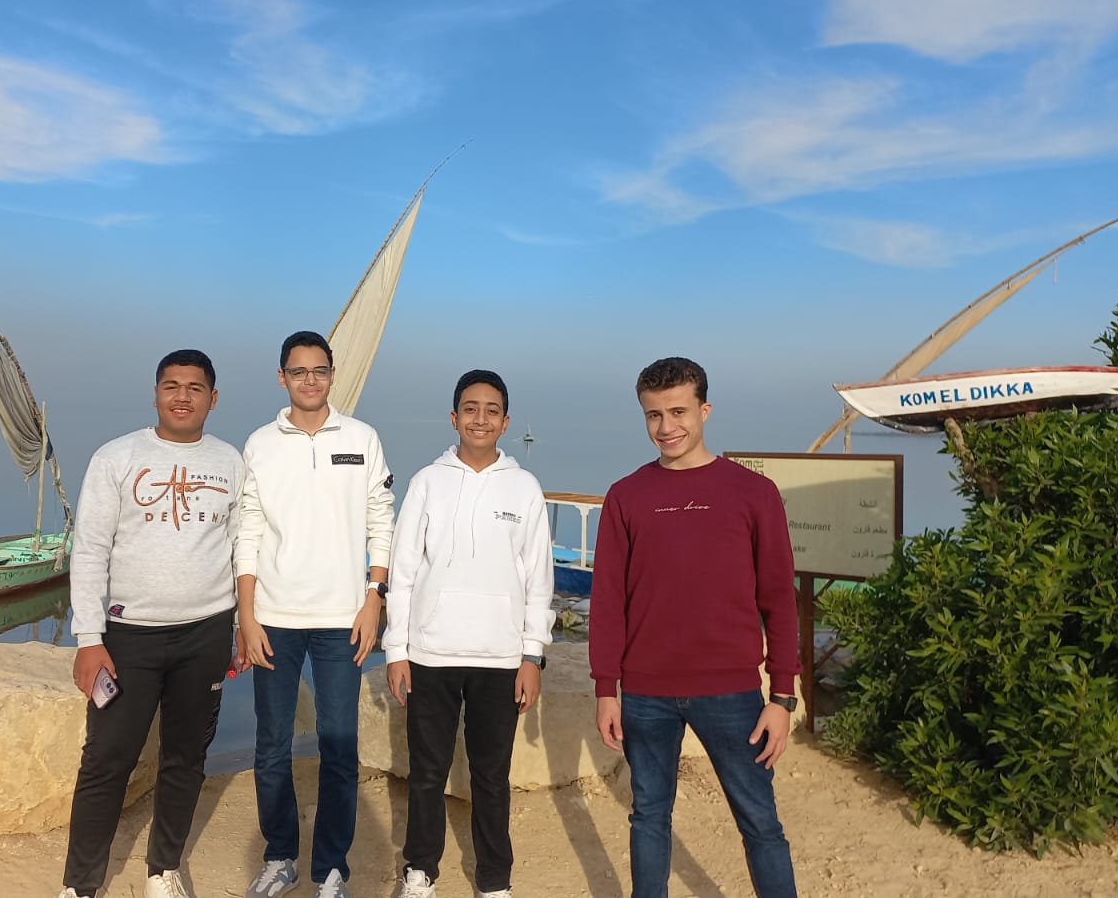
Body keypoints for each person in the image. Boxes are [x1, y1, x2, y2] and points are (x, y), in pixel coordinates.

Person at [589, 356, 801, 898]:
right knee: (648, 817)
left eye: (679, 411)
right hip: (644, 694)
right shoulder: (625, 496)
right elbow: (608, 600)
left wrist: (782, 696)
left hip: (731, 693)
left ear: (705, 410)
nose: (667, 427)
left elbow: (779, 599)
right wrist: (606, 688)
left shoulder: (753, 493)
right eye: (654, 415)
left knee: (760, 822)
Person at [58, 349, 244, 898]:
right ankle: (81, 885)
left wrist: (238, 628)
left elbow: (241, 549)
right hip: (129, 636)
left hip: (206, 633)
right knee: (106, 761)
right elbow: (90, 550)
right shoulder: (116, 457)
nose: (183, 397)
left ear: (213, 398)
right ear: (156, 393)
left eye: (195, 387)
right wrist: (89, 638)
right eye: (172, 386)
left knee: (186, 759)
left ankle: (163, 870)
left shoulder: (231, 461)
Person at [381, 370, 556, 898]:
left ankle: (494, 880)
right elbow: (403, 570)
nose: (481, 419)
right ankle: (420, 872)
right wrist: (397, 650)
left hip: (500, 657)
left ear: (505, 421)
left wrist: (532, 655)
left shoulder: (524, 488)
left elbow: (539, 577)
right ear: (454, 417)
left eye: (491, 410)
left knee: (491, 777)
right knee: (427, 773)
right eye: (471, 409)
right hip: (431, 653)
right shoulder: (427, 482)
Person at [236, 330, 395, 898]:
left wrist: (375, 597)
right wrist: (246, 617)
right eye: (298, 371)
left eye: (319, 370)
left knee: (339, 746)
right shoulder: (260, 444)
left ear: (332, 374)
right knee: (272, 745)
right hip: (274, 618)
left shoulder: (362, 438)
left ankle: (330, 869)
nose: (310, 380)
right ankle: (280, 857)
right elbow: (247, 530)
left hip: (342, 619)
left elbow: (381, 518)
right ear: (282, 377)